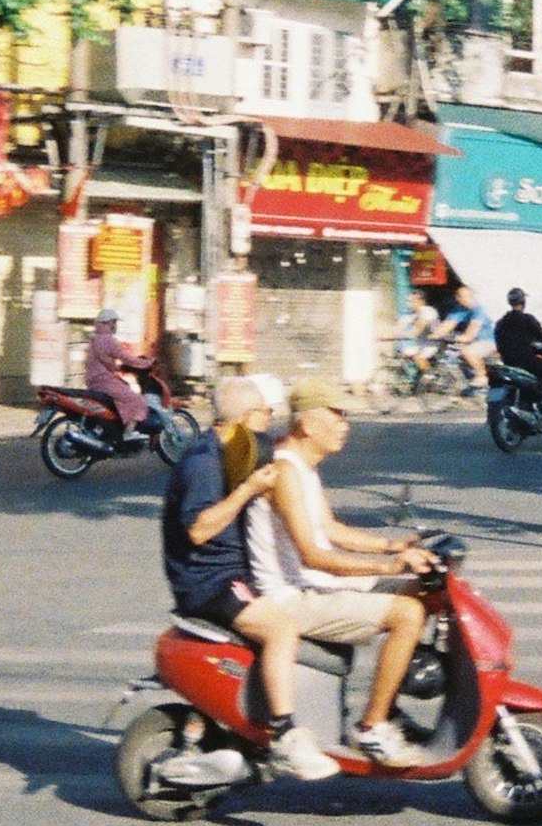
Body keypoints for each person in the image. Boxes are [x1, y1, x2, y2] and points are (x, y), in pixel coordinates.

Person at [246, 379, 439, 767]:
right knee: (407, 614)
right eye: (336, 416)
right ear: (307, 424)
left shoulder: (303, 467)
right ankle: (372, 727)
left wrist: (394, 546)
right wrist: (388, 566)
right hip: (291, 599)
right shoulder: (285, 472)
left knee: (423, 592)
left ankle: (387, 705)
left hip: (315, 585)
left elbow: (331, 530)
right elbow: (313, 555)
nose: (344, 425)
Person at [162, 374, 339, 782]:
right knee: (281, 628)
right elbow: (199, 530)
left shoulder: (232, 449)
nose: (269, 420)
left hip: (228, 573)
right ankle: (285, 733)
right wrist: (247, 490)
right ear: (245, 416)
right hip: (210, 581)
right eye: (265, 413)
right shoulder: (203, 461)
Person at [492, 286, 542, 420]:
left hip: (508, 363)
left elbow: (500, 344)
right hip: (526, 362)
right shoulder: (527, 319)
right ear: (523, 301)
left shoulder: (500, 323)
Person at [84, 308, 158, 437]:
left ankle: (116, 428)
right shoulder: (108, 340)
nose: (115, 325)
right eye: (114, 322)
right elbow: (125, 357)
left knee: (126, 387)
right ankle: (129, 433)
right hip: (104, 381)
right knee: (137, 400)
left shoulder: (95, 339)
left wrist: (119, 368)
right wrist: (146, 363)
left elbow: (104, 361)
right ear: (109, 322)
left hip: (94, 380)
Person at [436, 284, 493, 391]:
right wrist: (435, 334)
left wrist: (457, 338)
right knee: (451, 354)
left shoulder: (479, 310)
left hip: (487, 341)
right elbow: (448, 324)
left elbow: (470, 334)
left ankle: (482, 377)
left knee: (468, 352)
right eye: (460, 296)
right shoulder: (459, 310)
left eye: (466, 296)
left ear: (472, 296)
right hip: (471, 341)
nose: (463, 299)